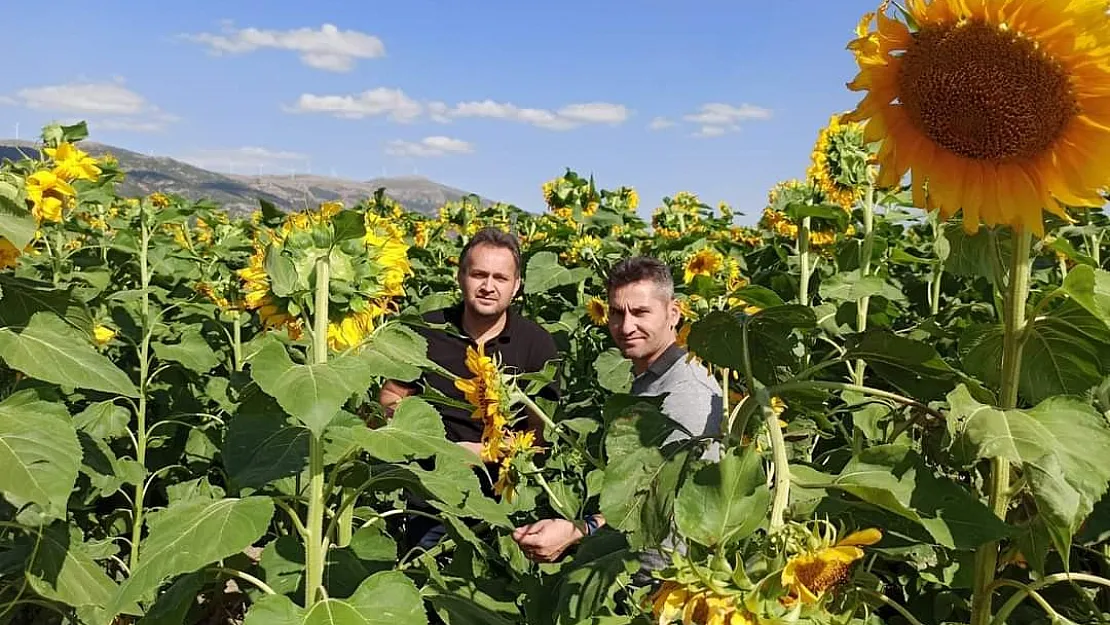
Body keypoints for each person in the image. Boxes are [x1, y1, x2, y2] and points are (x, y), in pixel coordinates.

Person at [511, 255, 723, 578]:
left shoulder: (686, 393)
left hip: (670, 577)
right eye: (616, 313)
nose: (625, 326)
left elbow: (655, 495)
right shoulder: (651, 378)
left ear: (673, 314)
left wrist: (578, 531)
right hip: (639, 567)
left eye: (640, 312)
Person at [380, 227, 560, 550]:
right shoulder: (425, 331)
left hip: (507, 498)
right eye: (479, 274)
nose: (488, 286)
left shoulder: (536, 344)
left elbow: (542, 430)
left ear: (516, 285)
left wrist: (491, 452)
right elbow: (390, 399)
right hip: (432, 495)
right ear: (461, 277)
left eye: (500, 278)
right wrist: (429, 446)